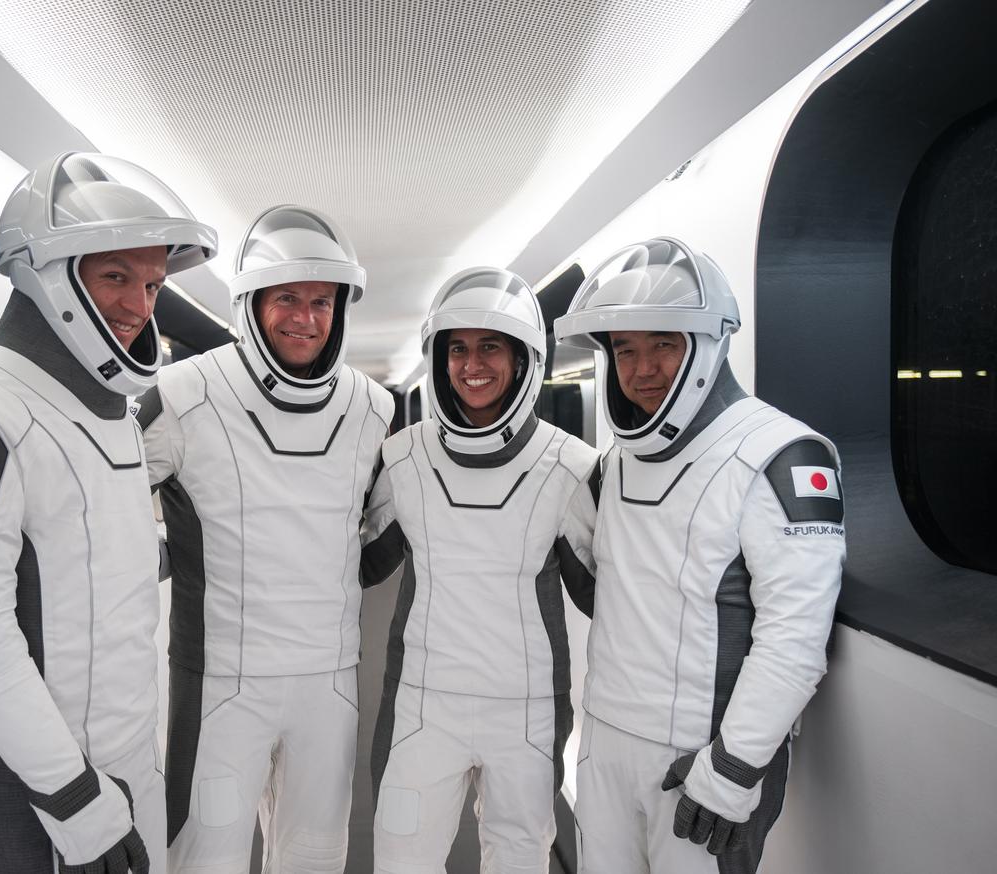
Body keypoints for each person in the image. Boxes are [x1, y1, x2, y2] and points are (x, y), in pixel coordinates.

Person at [0, 151, 216, 874]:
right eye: (115, 277)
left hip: (127, 762)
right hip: (32, 788)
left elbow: (92, 569)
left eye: (151, 283)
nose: (139, 305)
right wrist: (78, 804)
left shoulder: (111, 409)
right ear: (47, 271)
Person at [553, 237, 846, 874]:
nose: (642, 369)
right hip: (604, 741)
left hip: (700, 760)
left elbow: (794, 636)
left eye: (663, 343)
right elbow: (587, 571)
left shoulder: (781, 453)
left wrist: (735, 768)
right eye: (625, 350)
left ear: (709, 345)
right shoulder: (613, 464)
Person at [136, 205, 394, 874]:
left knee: (315, 856)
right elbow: (104, 507)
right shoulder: (180, 393)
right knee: (203, 857)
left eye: (321, 301)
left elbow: (375, 529)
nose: (305, 318)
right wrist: (154, 559)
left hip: (328, 684)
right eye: (287, 298)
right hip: (222, 682)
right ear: (251, 301)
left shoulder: (374, 406)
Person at [360, 267, 600, 873]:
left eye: (490, 345)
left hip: (526, 712)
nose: (473, 364)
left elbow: (605, 595)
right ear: (439, 358)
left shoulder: (571, 466)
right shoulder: (402, 456)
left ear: (524, 359)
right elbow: (359, 563)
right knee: (399, 863)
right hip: (419, 707)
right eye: (458, 348)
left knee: (518, 862)